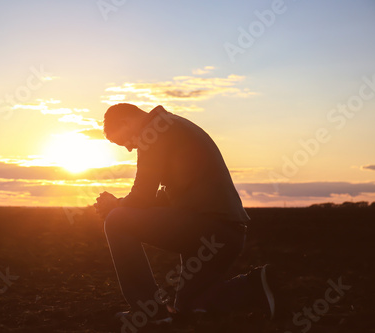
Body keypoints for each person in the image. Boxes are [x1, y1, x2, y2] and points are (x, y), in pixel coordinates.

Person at [94, 103, 276, 328]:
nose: (129, 148)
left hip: (210, 228)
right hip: (228, 234)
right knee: (187, 308)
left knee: (117, 221)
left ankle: (148, 312)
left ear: (125, 122)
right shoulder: (172, 126)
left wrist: (115, 205)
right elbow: (163, 198)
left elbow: (142, 197)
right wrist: (120, 203)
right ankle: (254, 285)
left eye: (123, 142)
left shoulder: (154, 131)